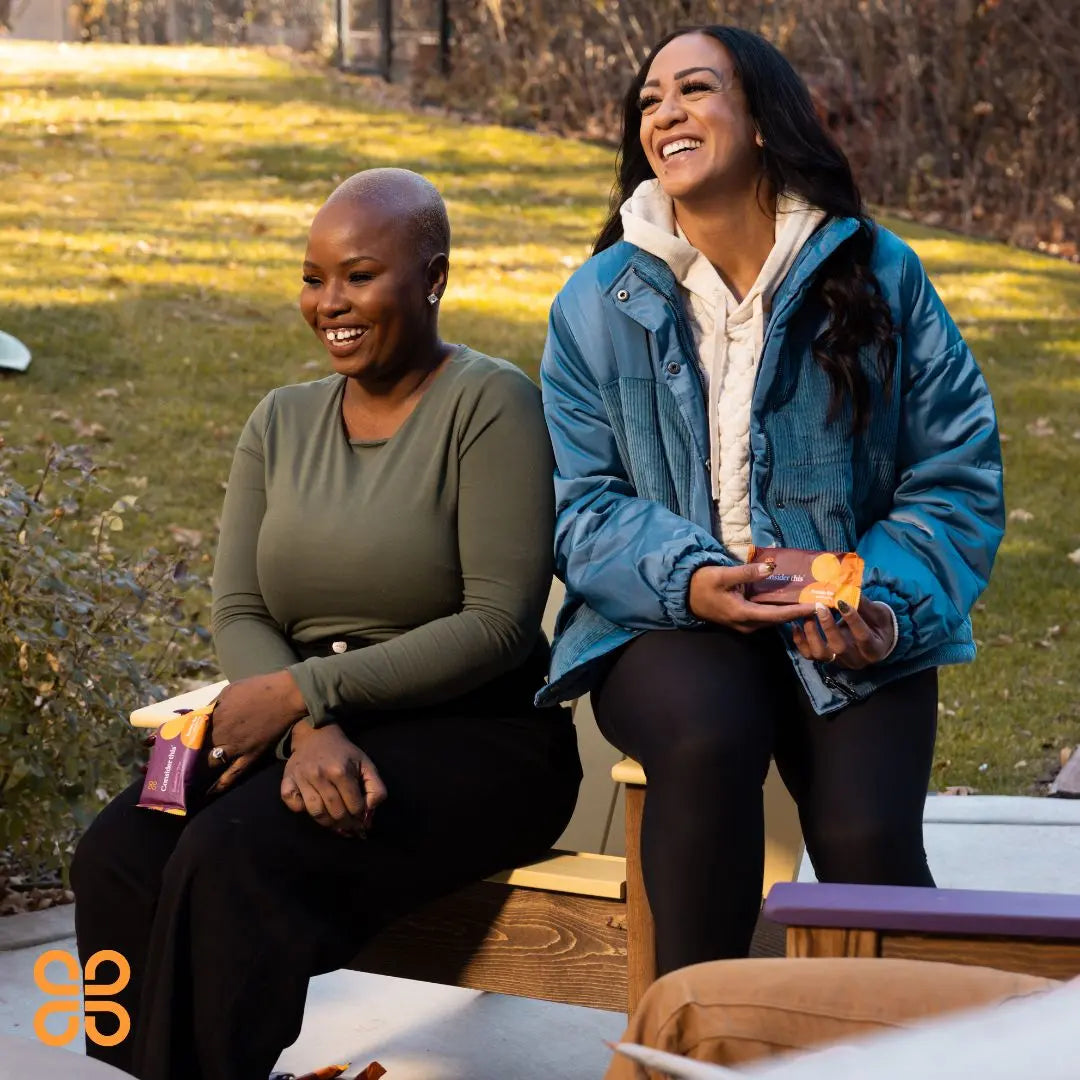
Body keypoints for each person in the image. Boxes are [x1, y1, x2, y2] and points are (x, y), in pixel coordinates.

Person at [71, 168, 582, 1080]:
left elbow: (499, 624)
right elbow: (240, 608)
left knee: (235, 857)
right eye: (314, 278)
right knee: (117, 855)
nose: (329, 302)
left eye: (359, 275)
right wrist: (308, 728)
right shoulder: (280, 420)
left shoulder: (489, 404)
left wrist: (303, 697)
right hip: (302, 727)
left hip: (477, 736)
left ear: (432, 277)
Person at [536, 26, 1004, 975]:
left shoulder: (877, 275)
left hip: (851, 613)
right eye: (650, 100)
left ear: (759, 119)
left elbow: (954, 474)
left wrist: (878, 596)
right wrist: (694, 577)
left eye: (696, 89)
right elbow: (582, 505)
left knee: (867, 839)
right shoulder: (595, 303)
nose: (666, 112)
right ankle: (691, 1038)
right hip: (664, 622)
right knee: (711, 737)